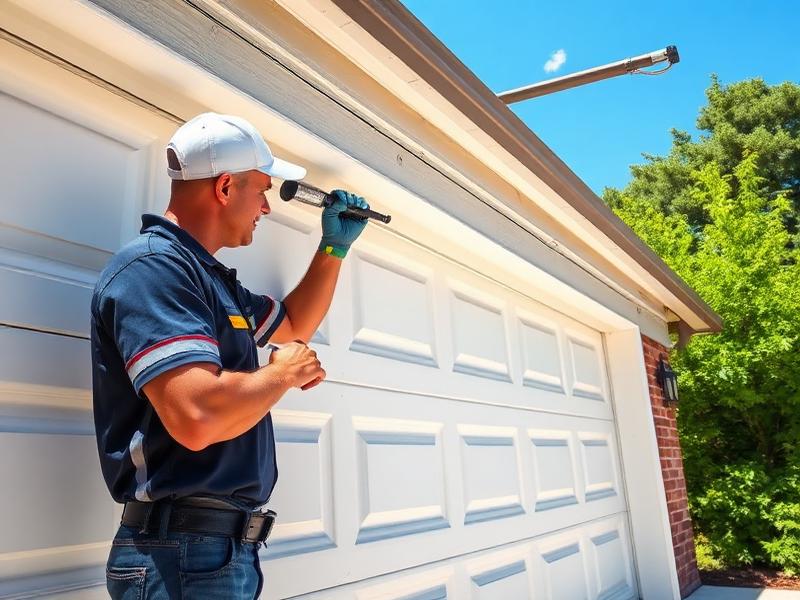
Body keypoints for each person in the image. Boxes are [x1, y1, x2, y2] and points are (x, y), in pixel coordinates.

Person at [90, 112, 369, 599]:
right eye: (260, 190)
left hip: (212, 552)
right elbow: (197, 416)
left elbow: (295, 325)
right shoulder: (154, 269)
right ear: (224, 188)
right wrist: (280, 374)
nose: (265, 206)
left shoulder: (211, 281)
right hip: (179, 552)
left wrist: (333, 248)